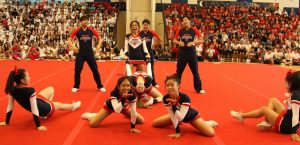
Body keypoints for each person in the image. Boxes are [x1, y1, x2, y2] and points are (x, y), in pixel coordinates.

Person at [0, 67, 81, 131]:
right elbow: (34, 108)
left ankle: (49, 106)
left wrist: (6, 122)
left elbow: (10, 107)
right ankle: (72, 106)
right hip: (44, 109)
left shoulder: (12, 90)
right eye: (28, 76)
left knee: (51, 88)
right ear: (22, 80)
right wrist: (38, 125)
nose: (30, 77)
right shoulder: (30, 91)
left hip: (38, 101)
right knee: (60, 105)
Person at [230, 70, 300, 142]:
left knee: (264, 109)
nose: (285, 86)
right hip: (288, 119)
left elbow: (295, 115)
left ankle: (241, 116)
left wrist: (294, 132)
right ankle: (266, 121)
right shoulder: (297, 93)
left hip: (285, 126)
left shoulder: (296, 95)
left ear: (293, 84)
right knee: (273, 100)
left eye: (286, 83)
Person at [152, 75, 218, 138]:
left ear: (178, 86)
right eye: (167, 85)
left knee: (210, 133)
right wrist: (177, 131)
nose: (169, 87)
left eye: (172, 85)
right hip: (176, 115)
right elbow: (172, 115)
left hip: (191, 117)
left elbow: (180, 118)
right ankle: (178, 123)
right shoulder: (165, 98)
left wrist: (174, 105)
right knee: (155, 123)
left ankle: (208, 123)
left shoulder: (185, 98)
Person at [68, 15, 106, 93]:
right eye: (84, 20)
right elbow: (69, 40)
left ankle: (100, 86)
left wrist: (98, 45)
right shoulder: (77, 30)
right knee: (77, 70)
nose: (86, 21)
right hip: (80, 53)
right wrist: (73, 47)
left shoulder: (91, 30)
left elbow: (100, 38)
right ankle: (76, 86)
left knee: (95, 70)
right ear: (80, 22)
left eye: (87, 20)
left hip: (89, 53)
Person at [173, 16, 205, 94]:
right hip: (182, 52)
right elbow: (174, 40)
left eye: (186, 20)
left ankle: (199, 88)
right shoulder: (180, 30)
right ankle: (176, 87)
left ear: (189, 21)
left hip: (191, 52)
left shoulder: (194, 29)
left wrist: (193, 43)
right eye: (183, 20)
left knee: (195, 71)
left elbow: (201, 40)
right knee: (179, 71)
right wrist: (179, 42)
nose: (184, 22)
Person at [140, 19, 161, 87]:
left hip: (149, 52)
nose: (145, 26)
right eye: (144, 25)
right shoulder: (140, 33)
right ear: (143, 26)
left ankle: (153, 82)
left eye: (147, 25)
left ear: (149, 26)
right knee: (141, 68)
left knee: (151, 67)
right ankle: (141, 81)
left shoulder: (152, 32)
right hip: (141, 52)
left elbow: (160, 39)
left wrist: (154, 45)